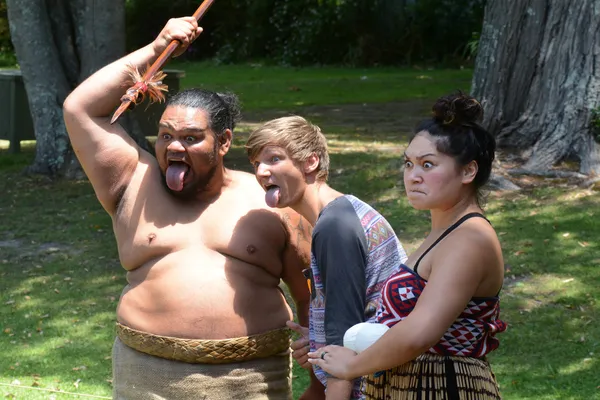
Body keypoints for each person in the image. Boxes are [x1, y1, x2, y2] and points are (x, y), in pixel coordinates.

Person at [63, 17, 314, 400]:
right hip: (145, 376)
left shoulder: (270, 202)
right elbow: (79, 107)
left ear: (224, 141)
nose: (174, 147)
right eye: (166, 136)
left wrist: (320, 384)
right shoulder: (132, 182)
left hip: (249, 379)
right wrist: (156, 48)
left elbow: (312, 294)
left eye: (191, 138)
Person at [307, 92, 507, 399]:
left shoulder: (470, 239)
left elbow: (419, 333)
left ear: (468, 171)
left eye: (428, 165)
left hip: (445, 388)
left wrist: (353, 366)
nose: (412, 176)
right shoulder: (444, 233)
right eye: (408, 163)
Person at [246, 116, 408, 399]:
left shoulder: (335, 225)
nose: (261, 171)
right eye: (256, 164)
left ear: (310, 162)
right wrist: (317, 339)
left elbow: (343, 334)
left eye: (273, 159)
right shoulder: (341, 213)